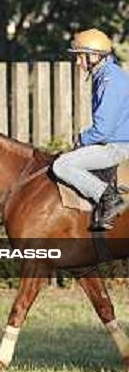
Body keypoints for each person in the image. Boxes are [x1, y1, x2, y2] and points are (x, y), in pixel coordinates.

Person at [52, 28, 129, 230]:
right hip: (115, 142)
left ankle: (109, 198)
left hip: (117, 147)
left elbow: (103, 129)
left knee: (61, 166)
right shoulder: (105, 75)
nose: (77, 63)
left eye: (80, 57)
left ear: (94, 56)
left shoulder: (110, 80)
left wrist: (81, 139)